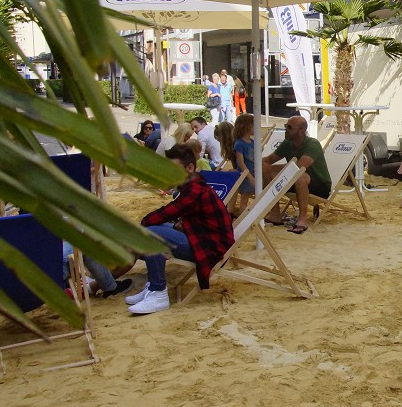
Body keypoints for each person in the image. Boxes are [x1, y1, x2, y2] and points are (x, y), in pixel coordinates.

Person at [125, 144, 235, 315]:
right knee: (155, 227)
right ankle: (152, 287)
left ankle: (158, 293)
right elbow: (177, 213)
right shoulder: (193, 185)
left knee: (151, 232)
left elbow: (168, 212)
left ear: (190, 167)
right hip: (201, 236)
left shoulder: (195, 189)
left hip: (210, 248)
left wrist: (142, 225)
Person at [261, 115, 331, 233]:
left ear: (301, 130)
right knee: (268, 173)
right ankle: (275, 215)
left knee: (299, 176)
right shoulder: (288, 142)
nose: (286, 130)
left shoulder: (312, 144)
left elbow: (299, 166)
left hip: (319, 186)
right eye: (286, 126)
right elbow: (270, 159)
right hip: (296, 180)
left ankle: (302, 219)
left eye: (289, 127)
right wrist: (255, 163)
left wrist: (270, 168)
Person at [232, 113, 255, 215]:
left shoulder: (252, 142)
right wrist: (250, 177)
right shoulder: (239, 143)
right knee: (244, 199)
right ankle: (243, 218)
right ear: (247, 127)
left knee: (249, 197)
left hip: (253, 173)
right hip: (245, 175)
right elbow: (241, 163)